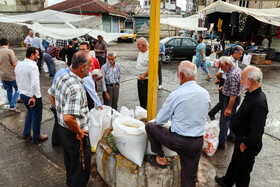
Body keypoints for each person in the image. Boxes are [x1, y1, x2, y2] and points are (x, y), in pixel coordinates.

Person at [145, 61, 210, 187]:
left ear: (181, 75)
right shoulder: (205, 93)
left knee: (150, 126)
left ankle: (160, 157)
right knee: (189, 178)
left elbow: (159, 120)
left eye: (177, 74)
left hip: (179, 141)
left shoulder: (176, 94)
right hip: (197, 142)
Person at [215, 66, 268, 187]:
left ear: (250, 81)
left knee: (243, 173)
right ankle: (227, 180)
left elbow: (257, 130)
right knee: (235, 162)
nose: (241, 81)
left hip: (247, 144)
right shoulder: (251, 94)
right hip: (241, 140)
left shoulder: (258, 102)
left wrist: (245, 145)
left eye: (243, 79)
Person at [48, 51, 92, 187]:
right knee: (81, 170)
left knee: (71, 163)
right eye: (90, 66)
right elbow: (68, 117)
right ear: (82, 67)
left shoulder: (62, 76)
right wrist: (79, 131)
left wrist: (58, 111)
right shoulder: (76, 88)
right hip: (75, 135)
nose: (91, 69)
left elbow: (50, 93)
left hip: (63, 130)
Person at [15, 47, 48, 143]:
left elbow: (18, 79)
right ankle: (37, 137)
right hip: (32, 96)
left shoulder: (19, 64)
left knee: (29, 112)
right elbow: (35, 84)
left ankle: (26, 133)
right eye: (37, 54)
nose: (39, 56)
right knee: (36, 116)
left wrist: (20, 93)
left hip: (23, 94)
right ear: (32, 55)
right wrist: (34, 96)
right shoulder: (33, 66)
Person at [208, 46, 244, 121]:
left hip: (230, 81)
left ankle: (214, 113)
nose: (241, 55)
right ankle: (215, 114)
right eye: (240, 54)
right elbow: (218, 73)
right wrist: (220, 79)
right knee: (224, 102)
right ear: (235, 53)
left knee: (224, 101)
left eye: (241, 54)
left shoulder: (235, 61)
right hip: (225, 82)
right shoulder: (227, 61)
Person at [218, 56, 242, 149]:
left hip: (231, 100)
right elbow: (233, 88)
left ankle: (221, 142)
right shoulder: (236, 68)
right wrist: (224, 88)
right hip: (234, 98)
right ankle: (232, 136)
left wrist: (228, 108)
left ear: (227, 64)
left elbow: (233, 94)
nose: (221, 69)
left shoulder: (232, 75)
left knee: (224, 120)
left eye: (222, 66)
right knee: (232, 118)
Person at [0, 38, 20, 113]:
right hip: (11, 75)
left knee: (9, 90)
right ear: (8, 44)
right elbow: (14, 63)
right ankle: (12, 105)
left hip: (2, 75)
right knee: (18, 88)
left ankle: (11, 104)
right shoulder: (9, 51)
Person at [136, 37, 149, 109]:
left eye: (138, 44)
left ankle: (147, 114)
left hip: (146, 80)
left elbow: (153, 68)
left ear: (144, 45)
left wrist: (144, 74)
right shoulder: (140, 52)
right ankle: (143, 112)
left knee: (145, 99)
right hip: (139, 79)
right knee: (141, 98)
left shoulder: (150, 53)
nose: (137, 46)